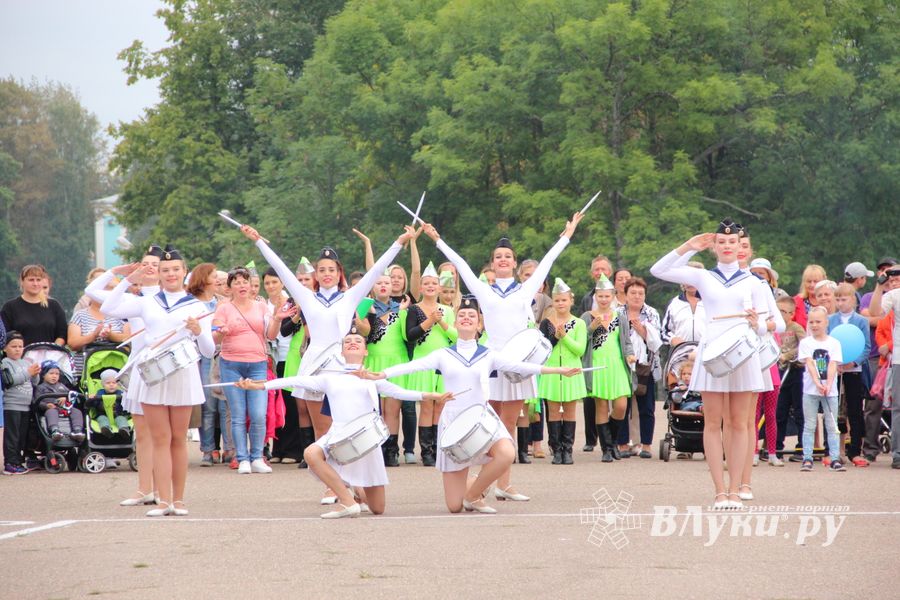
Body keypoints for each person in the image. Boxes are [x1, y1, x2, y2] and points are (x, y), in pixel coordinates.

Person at [244, 223, 416, 502]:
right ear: (316, 274)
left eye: (331, 270)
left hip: (342, 367)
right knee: (322, 430)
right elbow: (282, 270)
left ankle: (351, 482)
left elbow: (375, 271)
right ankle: (332, 486)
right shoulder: (306, 297)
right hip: (315, 367)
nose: (326, 274)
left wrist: (399, 242)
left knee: (345, 427)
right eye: (322, 270)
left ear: (339, 273)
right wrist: (258, 242)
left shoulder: (350, 297)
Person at [423, 211, 583, 502]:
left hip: (518, 365)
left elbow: (548, 261)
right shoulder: (483, 290)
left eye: (508, 256)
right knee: (486, 423)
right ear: (493, 263)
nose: (503, 260)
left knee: (509, 423)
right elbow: (460, 264)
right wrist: (437, 240)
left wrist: (567, 235)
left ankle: (502, 485)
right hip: (491, 363)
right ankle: (482, 480)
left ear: (515, 262)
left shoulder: (526, 289)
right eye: (498, 257)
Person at [369, 296, 581, 513]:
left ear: (479, 325)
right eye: (462, 315)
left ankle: (473, 495)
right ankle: (471, 485)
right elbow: (412, 366)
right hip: (453, 421)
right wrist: (383, 374)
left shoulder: (488, 355)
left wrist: (558, 370)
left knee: (506, 453)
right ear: (455, 323)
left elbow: (521, 366)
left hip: (482, 417)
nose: (466, 317)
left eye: (472, 315)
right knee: (454, 506)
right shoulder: (443, 354)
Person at [236, 328, 451, 518]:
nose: (352, 343)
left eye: (358, 341)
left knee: (378, 509)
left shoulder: (372, 378)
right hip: (338, 436)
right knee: (311, 453)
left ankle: (357, 492)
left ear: (365, 351)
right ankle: (348, 502)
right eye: (347, 341)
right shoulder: (329, 378)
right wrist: (259, 385)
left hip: (367, 441)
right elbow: (294, 380)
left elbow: (400, 392)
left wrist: (433, 396)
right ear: (341, 352)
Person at [650, 219, 772, 509]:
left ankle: (735, 489)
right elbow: (658, 270)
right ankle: (719, 491)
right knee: (713, 423)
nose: (727, 246)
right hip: (712, 352)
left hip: (742, 354)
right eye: (721, 242)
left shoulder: (754, 282)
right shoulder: (704, 277)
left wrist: (757, 324)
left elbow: (767, 324)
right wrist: (690, 246)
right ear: (714, 246)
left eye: (732, 242)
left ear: (740, 246)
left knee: (739, 424)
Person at [100, 245, 216, 516]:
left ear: (184, 272)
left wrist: (199, 332)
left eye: (175, 269)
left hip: (182, 374)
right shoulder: (147, 301)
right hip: (152, 373)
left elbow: (209, 351)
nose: (170, 274)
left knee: (178, 439)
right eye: (165, 270)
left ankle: (179, 500)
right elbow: (108, 307)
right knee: (160, 439)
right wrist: (129, 279)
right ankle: (164, 501)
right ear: (159, 274)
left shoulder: (198, 306)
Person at [87, 245, 164, 507]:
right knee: (142, 435)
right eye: (145, 263)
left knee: (162, 436)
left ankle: (163, 489)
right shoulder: (135, 300)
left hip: (164, 370)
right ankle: (145, 489)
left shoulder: (169, 298)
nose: (150, 268)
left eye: (155, 264)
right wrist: (119, 273)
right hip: (139, 370)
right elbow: (93, 293)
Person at [213, 267, 286, 474]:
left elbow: (271, 335)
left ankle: (257, 457)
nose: (242, 286)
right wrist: (222, 332)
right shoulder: (223, 308)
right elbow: (215, 338)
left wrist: (278, 318)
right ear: (230, 287)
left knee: (258, 414)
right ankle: (242, 458)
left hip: (257, 364)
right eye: (236, 282)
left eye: (245, 281)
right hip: (231, 363)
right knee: (237, 414)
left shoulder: (261, 307)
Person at [404, 261, 458, 466]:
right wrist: (429, 321)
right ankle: (426, 451)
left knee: (440, 406)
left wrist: (441, 321)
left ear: (439, 288)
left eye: (434, 283)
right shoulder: (414, 309)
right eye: (426, 283)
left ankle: (438, 448)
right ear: (420, 288)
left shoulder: (448, 310)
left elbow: (455, 337)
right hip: (424, 362)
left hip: (444, 363)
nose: (430, 286)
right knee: (427, 406)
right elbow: (410, 336)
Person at [581, 274, 636, 463]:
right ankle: (607, 449)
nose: (604, 299)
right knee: (602, 406)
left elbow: (626, 341)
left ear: (613, 296)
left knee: (621, 406)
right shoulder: (587, 317)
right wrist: (591, 328)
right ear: (595, 296)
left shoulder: (620, 317)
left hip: (617, 364)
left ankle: (611, 442)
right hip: (597, 365)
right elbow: (581, 342)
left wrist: (630, 355)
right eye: (600, 296)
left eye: (607, 296)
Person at [364, 273, 411, 467]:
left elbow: (408, 336)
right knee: (375, 410)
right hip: (373, 360)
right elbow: (369, 333)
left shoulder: (403, 309)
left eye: (387, 282)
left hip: (396, 361)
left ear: (393, 286)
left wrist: (399, 311)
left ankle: (391, 451)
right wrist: (390, 313)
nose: (383, 285)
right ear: (372, 286)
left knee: (392, 410)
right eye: (379, 282)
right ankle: (376, 449)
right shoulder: (365, 306)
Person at [538, 278, 587, 465]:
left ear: (571, 301)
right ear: (553, 302)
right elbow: (543, 349)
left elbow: (580, 350)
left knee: (569, 411)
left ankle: (568, 450)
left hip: (571, 370)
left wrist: (564, 337)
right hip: (552, 371)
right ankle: (556, 449)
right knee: (553, 411)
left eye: (564, 300)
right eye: (557, 300)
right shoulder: (546, 323)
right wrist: (555, 338)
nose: (560, 303)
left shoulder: (578, 323)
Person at [186, 262, 227, 466]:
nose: (218, 280)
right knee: (208, 405)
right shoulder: (190, 304)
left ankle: (230, 449)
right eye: (213, 276)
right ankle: (208, 449)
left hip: (224, 354)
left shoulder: (223, 303)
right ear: (203, 279)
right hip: (202, 357)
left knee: (226, 404)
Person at [278, 256, 316, 467]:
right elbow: (284, 332)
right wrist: (296, 315)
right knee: (301, 407)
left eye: (306, 279)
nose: (303, 283)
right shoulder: (291, 303)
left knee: (316, 406)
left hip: (316, 354)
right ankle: (306, 453)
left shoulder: (321, 300)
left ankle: (320, 450)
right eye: (299, 280)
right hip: (296, 356)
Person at [828, 283, 870, 467]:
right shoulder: (830, 320)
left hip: (854, 370)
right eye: (837, 299)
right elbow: (827, 343)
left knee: (855, 409)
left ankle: (855, 450)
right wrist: (833, 363)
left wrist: (853, 362)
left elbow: (866, 347)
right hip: (835, 370)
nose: (840, 303)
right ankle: (832, 449)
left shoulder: (861, 321)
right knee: (834, 409)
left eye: (843, 299)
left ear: (853, 299)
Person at [798, 307, 845, 471]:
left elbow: (833, 364)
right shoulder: (805, 343)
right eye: (811, 322)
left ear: (826, 322)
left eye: (818, 321)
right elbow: (810, 363)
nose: (814, 325)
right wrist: (817, 383)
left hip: (830, 392)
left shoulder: (834, 343)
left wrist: (829, 384)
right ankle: (807, 458)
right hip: (810, 391)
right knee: (809, 425)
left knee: (832, 425)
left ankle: (834, 458)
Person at [619, 277, 662, 459]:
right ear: (626, 294)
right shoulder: (617, 313)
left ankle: (646, 445)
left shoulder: (652, 313)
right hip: (622, 365)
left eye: (640, 293)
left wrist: (642, 331)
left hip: (646, 365)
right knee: (623, 406)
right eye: (633, 293)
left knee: (647, 407)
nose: (637, 296)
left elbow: (657, 341)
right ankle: (622, 444)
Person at [866, 265, 900, 469]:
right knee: (895, 407)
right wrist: (880, 286)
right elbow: (875, 313)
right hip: (895, 360)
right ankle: (896, 454)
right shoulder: (893, 296)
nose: (895, 281)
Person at [67, 271, 130, 378]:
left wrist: (111, 335)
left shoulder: (121, 313)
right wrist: (93, 336)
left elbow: (128, 339)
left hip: (117, 370)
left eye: (109, 288)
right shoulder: (80, 315)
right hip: (86, 374)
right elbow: (73, 344)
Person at [1, 264, 67, 346]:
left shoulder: (54, 306)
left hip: (50, 353)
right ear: (22, 281)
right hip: (21, 354)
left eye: (38, 280)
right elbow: (5, 337)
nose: (35, 283)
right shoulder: (9, 307)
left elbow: (62, 334)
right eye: (31, 280)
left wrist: (53, 349)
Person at [2, 332, 40, 474]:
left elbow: (34, 382)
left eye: (20, 346)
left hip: (25, 406)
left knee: (21, 436)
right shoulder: (5, 363)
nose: (18, 349)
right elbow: (10, 381)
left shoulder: (25, 363)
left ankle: (18, 461)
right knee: (12, 437)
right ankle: (10, 463)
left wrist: (35, 373)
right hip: (11, 405)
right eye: (13, 346)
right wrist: (29, 373)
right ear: (5, 348)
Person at [774, 294, 806, 465]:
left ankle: (802, 447)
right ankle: (776, 447)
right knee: (780, 411)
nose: (780, 315)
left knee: (800, 411)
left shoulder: (796, 328)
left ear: (791, 314)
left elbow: (805, 345)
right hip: (780, 372)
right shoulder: (773, 329)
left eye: (783, 311)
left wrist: (788, 355)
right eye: (778, 311)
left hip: (796, 371)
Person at [34, 360, 85, 442]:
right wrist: (46, 405)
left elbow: (71, 395)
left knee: (76, 411)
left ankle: (77, 430)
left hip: (64, 408)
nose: (54, 376)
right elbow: (36, 401)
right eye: (51, 373)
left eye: (57, 374)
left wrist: (66, 398)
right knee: (52, 412)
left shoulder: (62, 386)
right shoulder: (40, 387)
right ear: (43, 375)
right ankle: (55, 430)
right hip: (50, 409)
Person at [661, 261, 706, 347]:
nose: (690, 282)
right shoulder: (674, 303)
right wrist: (672, 339)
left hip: (706, 351)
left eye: (694, 277)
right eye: (686, 278)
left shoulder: (711, 302)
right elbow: (664, 332)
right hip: (681, 351)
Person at [85, 369, 130, 436]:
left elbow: (126, 405)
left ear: (117, 384)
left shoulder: (121, 393)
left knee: (121, 419)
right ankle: (106, 429)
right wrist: (92, 398)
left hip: (118, 414)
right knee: (102, 419)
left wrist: (126, 397)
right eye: (108, 383)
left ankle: (124, 429)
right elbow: (94, 404)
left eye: (114, 383)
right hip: (103, 414)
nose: (111, 385)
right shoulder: (99, 393)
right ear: (103, 385)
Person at [793, 265, 827, 329]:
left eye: (815, 281)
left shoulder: (830, 300)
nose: (812, 285)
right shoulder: (795, 302)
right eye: (809, 281)